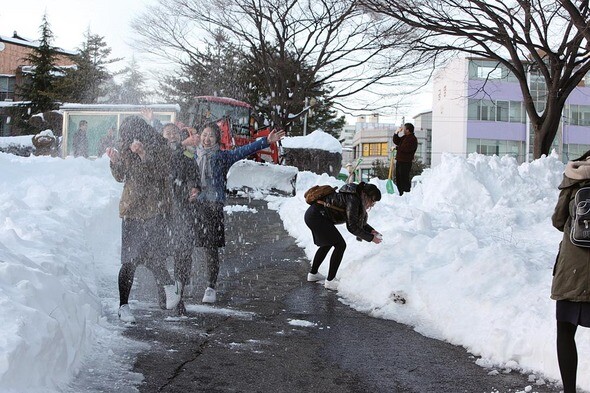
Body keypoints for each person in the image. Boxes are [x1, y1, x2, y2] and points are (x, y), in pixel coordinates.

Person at [193, 122, 285, 303]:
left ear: (217, 139)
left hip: (213, 206)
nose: (207, 138)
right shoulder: (193, 154)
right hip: (194, 205)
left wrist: (265, 141)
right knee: (186, 245)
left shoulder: (222, 156)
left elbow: (243, 151)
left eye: (211, 135)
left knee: (210, 249)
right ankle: (180, 282)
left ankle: (210, 286)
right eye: (204, 134)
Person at [106, 116, 179, 324]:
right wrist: (116, 162)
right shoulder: (127, 147)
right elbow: (121, 176)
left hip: (155, 210)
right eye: (126, 137)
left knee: (152, 256)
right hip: (132, 210)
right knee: (130, 260)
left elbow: (161, 172)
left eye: (131, 136)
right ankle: (123, 306)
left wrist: (144, 154)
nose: (128, 140)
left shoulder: (160, 145)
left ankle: (168, 288)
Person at [551, 150, 590, 393]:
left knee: (565, 331)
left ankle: (569, 391)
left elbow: (558, 220)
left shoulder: (574, 175)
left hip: (571, 270)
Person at [304, 182, 382, 290]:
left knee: (327, 243)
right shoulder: (353, 199)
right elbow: (352, 227)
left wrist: (371, 230)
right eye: (372, 201)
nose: (371, 205)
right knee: (340, 245)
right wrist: (371, 238)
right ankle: (330, 280)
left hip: (316, 215)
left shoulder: (355, 197)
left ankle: (313, 274)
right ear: (366, 195)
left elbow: (356, 220)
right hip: (317, 216)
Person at [161, 123, 200, 315]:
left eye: (175, 133)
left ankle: (180, 294)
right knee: (160, 251)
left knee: (183, 253)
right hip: (162, 210)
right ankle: (164, 290)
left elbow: (194, 175)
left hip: (183, 208)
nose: (172, 136)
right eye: (167, 133)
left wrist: (194, 187)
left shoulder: (187, 154)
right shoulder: (159, 154)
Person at [392, 122, 418, 196]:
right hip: (400, 160)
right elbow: (396, 141)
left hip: (406, 162)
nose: (403, 130)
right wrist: (396, 133)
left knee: (404, 179)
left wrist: (396, 148)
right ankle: (401, 194)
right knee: (399, 178)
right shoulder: (404, 137)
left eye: (404, 129)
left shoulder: (413, 139)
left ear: (408, 130)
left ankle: (406, 194)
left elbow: (406, 149)